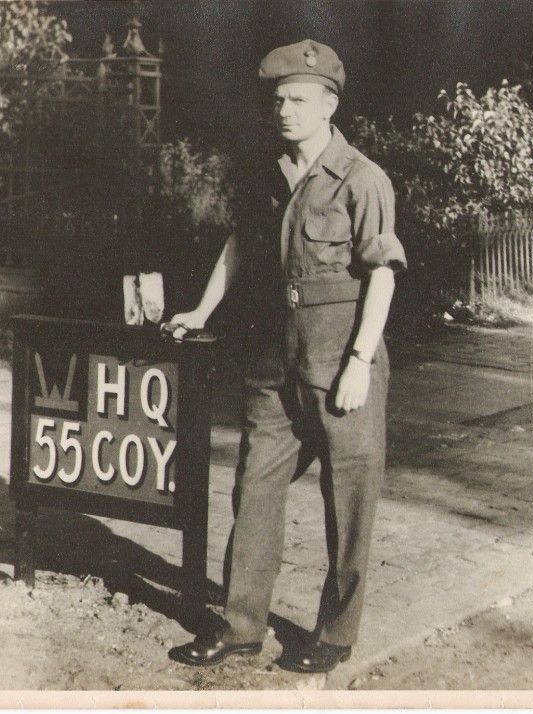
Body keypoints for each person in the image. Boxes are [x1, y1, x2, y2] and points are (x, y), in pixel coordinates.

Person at [163, 39, 406, 674]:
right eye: (278, 99)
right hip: (275, 357)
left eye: (299, 99)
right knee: (255, 487)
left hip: (338, 361)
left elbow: (382, 275)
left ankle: (335, 632)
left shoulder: (362, 179)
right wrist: (202, 310)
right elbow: (240, 245)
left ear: (330, 104)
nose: (285, 110)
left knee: (348, 500)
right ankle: (241, 625)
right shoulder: (269, 175)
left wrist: (359, 360)